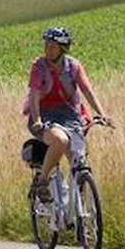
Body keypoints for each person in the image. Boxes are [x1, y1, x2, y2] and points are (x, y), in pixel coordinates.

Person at [25, 26, 108, 203]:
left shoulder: (74, 66)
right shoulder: (39, 67)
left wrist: (102, 114)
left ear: (63, 49)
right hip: (44, 115)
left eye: (53, 46)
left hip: (71, 115)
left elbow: (87, 90)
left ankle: (77, 213)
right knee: (60, 141)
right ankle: (42, 181)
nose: (48, 50)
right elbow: (34, 95)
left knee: (78, 158)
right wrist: (37, 119)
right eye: (46, 45)